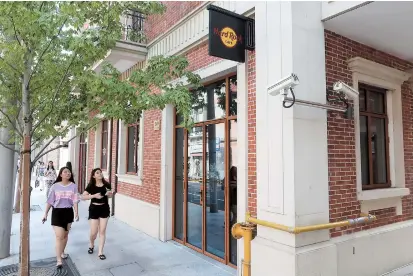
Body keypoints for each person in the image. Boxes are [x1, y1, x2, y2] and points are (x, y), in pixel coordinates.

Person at [42, 167, 79, 269]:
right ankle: (59, 260)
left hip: (68, 212)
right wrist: (45, 213)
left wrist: (76, 212)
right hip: (57, 212)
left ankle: (62, 252)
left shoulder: (73, 186)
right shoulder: (55, 186)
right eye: (65, 172)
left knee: (65, 235)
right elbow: (50, 201)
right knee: (59, 236)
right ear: (61, 174)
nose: (68, 173)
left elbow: (75, 200)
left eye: (69, 172)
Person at [81, 168, 113, 260]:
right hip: (94, 208)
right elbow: (83, 197)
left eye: (101, 172)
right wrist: (94, 196)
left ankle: (100, 252)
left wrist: (110, 194)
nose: (100, 174)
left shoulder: (107, 184)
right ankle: (91, 244)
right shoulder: (91, 185)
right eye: (97, 173)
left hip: (104, 208)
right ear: (94, 176)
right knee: (93, 232)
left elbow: (110, 196)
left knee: (102, 231)